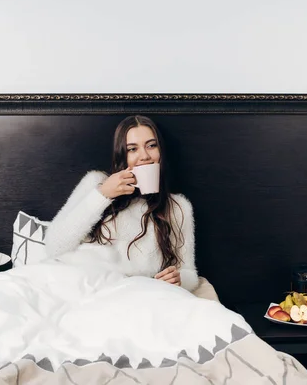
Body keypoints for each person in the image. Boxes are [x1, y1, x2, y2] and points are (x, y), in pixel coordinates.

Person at [44, 115, 199, 292]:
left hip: (125, 294)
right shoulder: (96, 183)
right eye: (132, 149)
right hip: (72, 282)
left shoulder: (177, 207)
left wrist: (178, 279)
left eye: (151, 145)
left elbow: (188, 271)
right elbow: (54, 246)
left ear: (160, 152)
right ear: (122, 155)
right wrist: (103, 195)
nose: (145, 156)